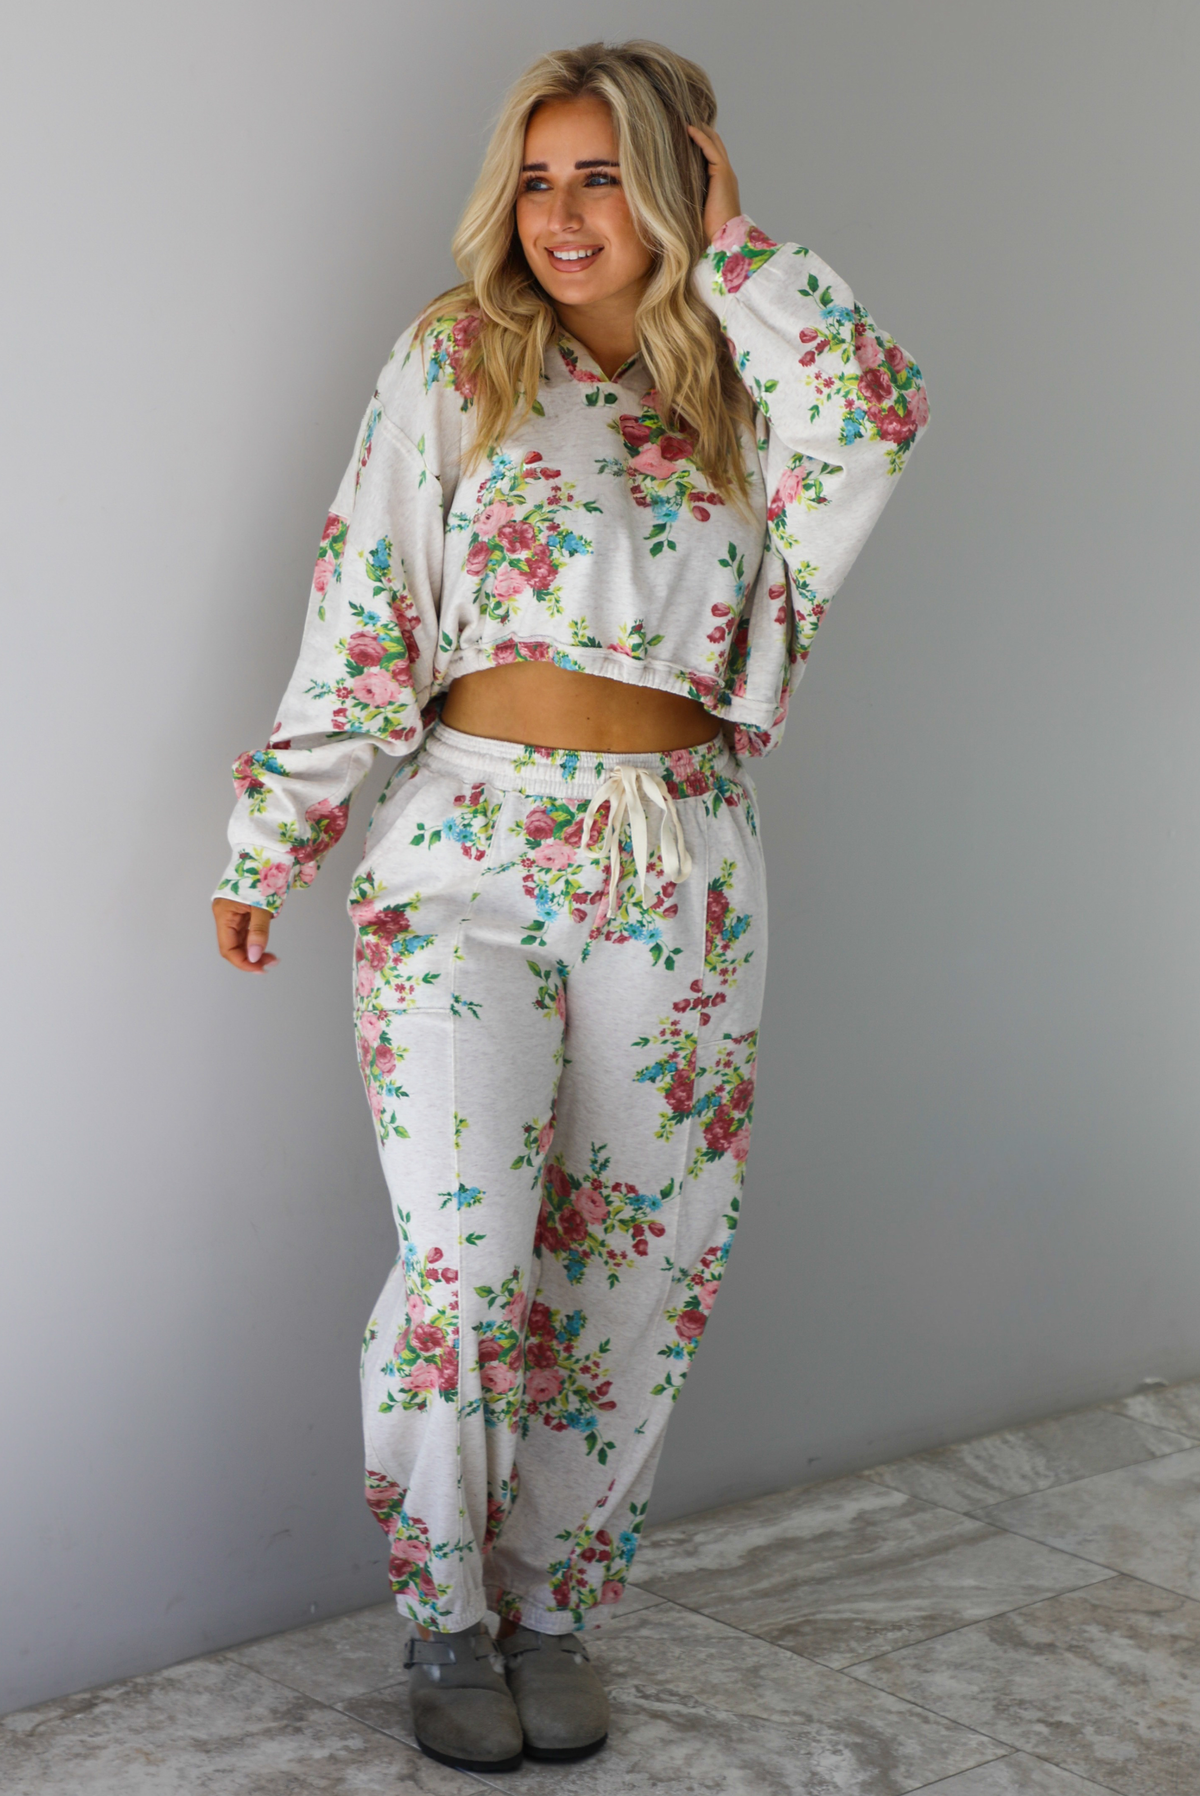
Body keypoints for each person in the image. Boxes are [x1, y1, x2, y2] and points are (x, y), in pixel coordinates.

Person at [211, 37, 928, 1776]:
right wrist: (273, 833)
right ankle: (444, 1612)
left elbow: (882, 415)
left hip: (679, 860)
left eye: (603, 174)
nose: (561, 214)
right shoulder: (457, 361)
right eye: (538, 178)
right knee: (468, 1257)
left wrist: (741, 257)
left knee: (641, 1262)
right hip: (463, 847)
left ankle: (553, 1607)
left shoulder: (749, 391)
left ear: (678, 183)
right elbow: (362, 608)